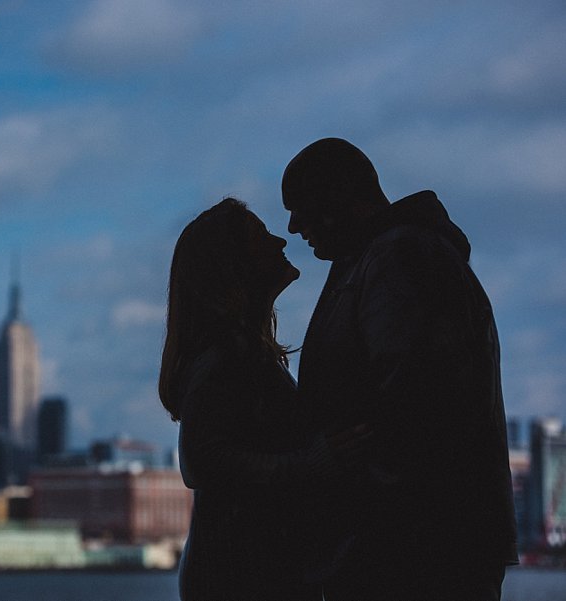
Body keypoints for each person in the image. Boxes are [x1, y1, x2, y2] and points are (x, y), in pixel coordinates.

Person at [281, 138, 519, 601]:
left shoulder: (397, 257)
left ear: (338, 196)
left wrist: (353, 515)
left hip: (407, 551)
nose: (292, 226)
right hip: (411, 545)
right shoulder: (388, 257)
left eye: (300, 206)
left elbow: (414, 406)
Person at [159, 198, 369, 601]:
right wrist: (312, 461)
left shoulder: (240, 354)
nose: (281, 241)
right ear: (233, 265)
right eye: (261, 236)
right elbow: (200, 461)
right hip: (242, 579)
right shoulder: (226, 357)